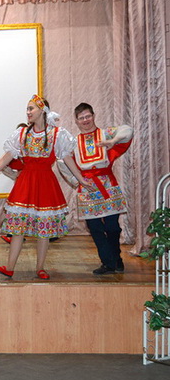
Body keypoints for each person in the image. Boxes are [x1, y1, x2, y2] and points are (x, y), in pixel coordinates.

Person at [0, 95, 91, 280]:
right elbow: (9, 155)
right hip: (26, 183)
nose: (28, 112)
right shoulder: (22, 133)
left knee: (43, 231)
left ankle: (40, 268)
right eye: (27, 109)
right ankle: (9, 267)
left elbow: (67, 158)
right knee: (18, 228)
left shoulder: (56, 134)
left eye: (31, 108)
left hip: (45, 183)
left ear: (42, 110)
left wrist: (81, 179)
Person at [65, 102, 133, 275]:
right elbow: (63, 162)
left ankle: (116, 258)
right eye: (81, 118)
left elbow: (128, 130)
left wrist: (113, 141)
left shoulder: (105, 134)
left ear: (93, 116)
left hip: (108, 185)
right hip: (87, 189)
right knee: (95, 228)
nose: (85, 120)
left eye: (88, 116)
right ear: (76, 121)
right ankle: (108, 263)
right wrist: (77, 180)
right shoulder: (73, 142)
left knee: (112, 227)